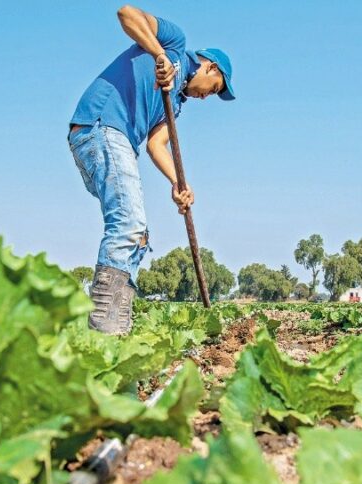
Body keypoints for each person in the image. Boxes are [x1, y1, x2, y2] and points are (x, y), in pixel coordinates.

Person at [68, 5, 235, 335]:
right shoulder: (175, 43)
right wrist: (159, 54)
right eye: (213, 89)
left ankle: (117, 319)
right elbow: (126, 13)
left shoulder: (176, 103)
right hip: (102, 125)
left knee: (139, 236)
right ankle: (105, 329)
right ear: (210, 67)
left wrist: (177, 183)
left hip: (120, 143)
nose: (205, 98)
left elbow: (157, 146)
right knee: (128, 223)